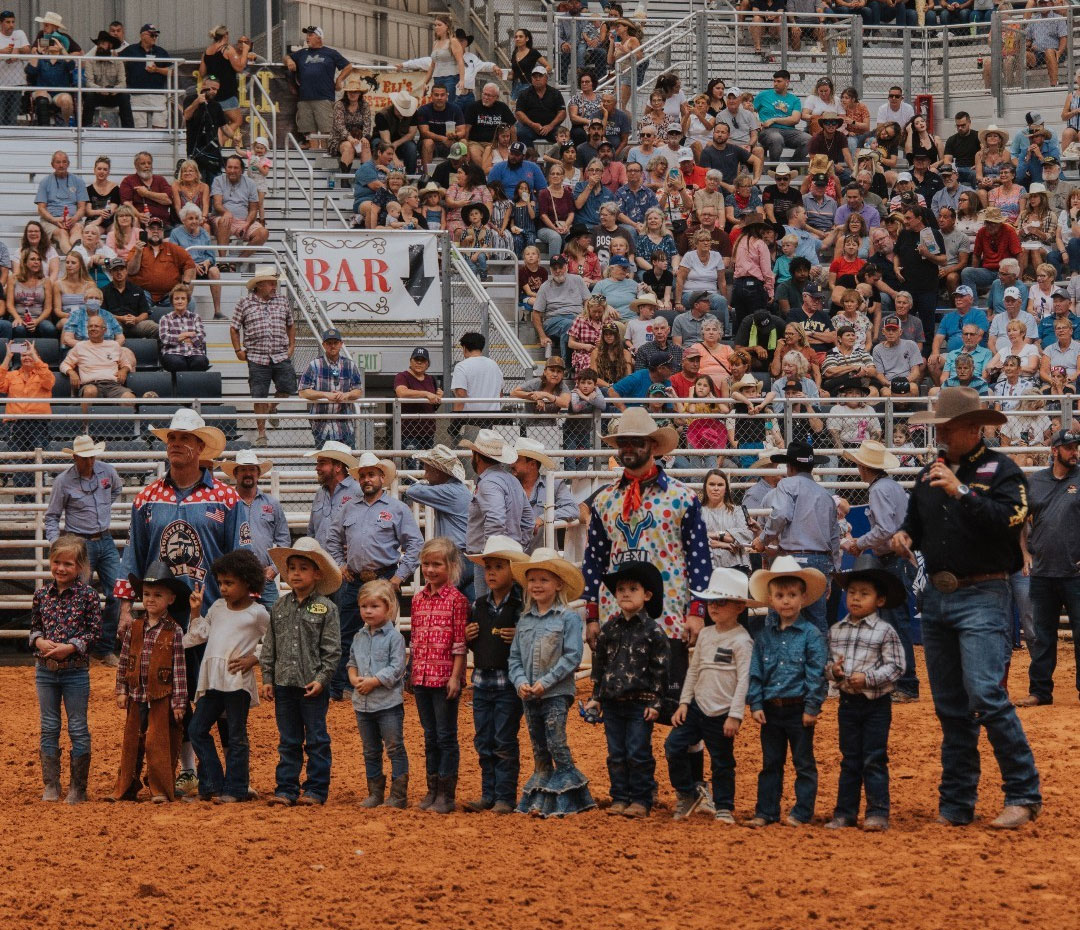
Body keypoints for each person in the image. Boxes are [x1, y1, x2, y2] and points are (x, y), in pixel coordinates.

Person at [892, 386, 1042, 829]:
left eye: (948, 428)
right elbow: (913, 526)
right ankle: (956, 803)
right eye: (938, 428)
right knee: (951, 706)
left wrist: (962, 493)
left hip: (983, 593)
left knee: (985, 695)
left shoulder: (1003, 471)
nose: (940, 435)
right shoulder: (928, 474)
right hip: (940, 596)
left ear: (974, 428)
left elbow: (1011, 520)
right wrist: (904, 539)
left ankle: (1022, 793)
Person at [581, 408, 713, 793]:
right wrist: (592, 613)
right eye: (623, 443)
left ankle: (693, 788)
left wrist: (697, 611)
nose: (628, 449)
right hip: (616, 620)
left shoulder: (683, 498)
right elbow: (593, 561)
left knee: (676, 708)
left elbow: (698, 558)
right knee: (623, 705)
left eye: (636, 442)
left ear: (653, 446)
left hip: (670, 617)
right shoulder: (605, 500)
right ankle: (637, 787)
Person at [114, 408, 243, 797]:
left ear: (200, 447)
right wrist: (124, 606)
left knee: (214, 690)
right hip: (162, 613)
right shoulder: (147, 497)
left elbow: (240, 555)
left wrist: (241, 609)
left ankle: (221, 774)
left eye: (184, 439)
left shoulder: (226, 496)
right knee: (167, 691)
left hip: (214, 612)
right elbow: (133, 553)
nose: (176, 445)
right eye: (171, 438)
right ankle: (184, 771)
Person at [325, 451, 422, 702]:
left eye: (372, 475)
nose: (367, 479)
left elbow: (415, 544)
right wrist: (340, 564)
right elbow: (332, 538)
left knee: (387, 634)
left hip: (384, 577)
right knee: (345, 633)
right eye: (363, 475)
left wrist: (398, 578)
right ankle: (340, 688)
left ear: (382, 478)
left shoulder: (397, 509)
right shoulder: (348, 508)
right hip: (354, 578)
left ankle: (387, 684)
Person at [509, 548, 596, 817]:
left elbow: (572, 656)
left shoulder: (568, 618)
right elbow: (514, 658)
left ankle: (570, 798)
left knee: (556, 741)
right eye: (532, 580)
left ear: (558, 584)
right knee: (539, 746)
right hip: (530, 693)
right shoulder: (524, 620)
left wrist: (545, 683)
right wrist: (521, 682)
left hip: (556, 692)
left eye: (544, 580)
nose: (536, 585)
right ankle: (544, 799)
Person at [666, 567, 756, 823]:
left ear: (740, 606)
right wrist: (684, 702)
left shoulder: (742, 640)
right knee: (673, 745)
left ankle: (724, 805)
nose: (713, 607)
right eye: (711, 602)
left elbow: (743, 681)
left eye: (721, 602)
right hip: (697, 707)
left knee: (722, 761)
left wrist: (736, 715)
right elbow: (693, 671)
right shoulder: (705, 634)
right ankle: (687, 792)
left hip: (722, 711)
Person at [824, 554, 906, 832]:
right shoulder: (836, 631)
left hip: (876, 705)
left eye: (864, 594)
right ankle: (845, 813)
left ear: (880, 601)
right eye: (852, 593)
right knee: (849, 758)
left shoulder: (885, 632)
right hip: (847, 703)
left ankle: (877, 811)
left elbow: (896, 667)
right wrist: (834, 672)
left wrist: (868, 678)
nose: (856, 598)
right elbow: (829, 665)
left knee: (874, 756)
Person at [744, 556, 828, 828]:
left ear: (803, 598)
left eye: (792, 595)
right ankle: (766, 811)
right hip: (771, 709)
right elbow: (755, 671)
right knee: (771, 763)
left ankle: (802, 812)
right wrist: (755, 703)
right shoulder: (764, 637)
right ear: (771, 600)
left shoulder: (811, 634)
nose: (786, 601)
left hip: (799, 708)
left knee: (803, 763)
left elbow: (817, 673)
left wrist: (812, 707)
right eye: (780, 595)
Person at [583, 557, 669, 819]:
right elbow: (600, 665)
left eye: (633, 589)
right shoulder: (610, 629)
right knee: (616, 753)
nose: (625, 594)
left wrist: (656, 703)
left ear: (647, 595)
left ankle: (642, 798)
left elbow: (661, 671)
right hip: (612, 703)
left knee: (638, 751)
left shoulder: (654, 632)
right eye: (621, 589)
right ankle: (620, 797)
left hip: (641, 703)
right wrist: (596, 697)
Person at [183, 549, 268, 803]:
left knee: (236, 735)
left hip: (236, 681)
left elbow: (275, 641)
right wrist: (196, 613)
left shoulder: (258, 613)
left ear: (247, 581)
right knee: (197, 729)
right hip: (212, 680)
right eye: (220, 583)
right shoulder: (217, 606)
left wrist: (254, 658)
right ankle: (213, 784)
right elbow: (199, 635)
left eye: (229, 583)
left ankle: (236, 789)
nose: (223, 588)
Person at [262, 537, 342, 806]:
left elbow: (332, 651)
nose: (295, 573)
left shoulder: (327, 608)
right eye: (292, 567)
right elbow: (270, 646)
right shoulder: (279, 607)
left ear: (317, 573)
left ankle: (316, 789)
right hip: (284, 684)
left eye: (303, 568)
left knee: (317, 738)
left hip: (312, 686)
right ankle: (286, 788)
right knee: (288, 739)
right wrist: (268, 679)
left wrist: (321, 680)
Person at [108, 560, 189, 804]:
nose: (150, 599)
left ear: (171, 599)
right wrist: (121, 689)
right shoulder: (134, 626)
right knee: (132, 740)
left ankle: (159, 788)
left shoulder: (174, 630)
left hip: (162, 695)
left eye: (157, 595)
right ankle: (126, 786)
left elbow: (179, 669)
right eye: (146, 594)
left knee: (158, 742)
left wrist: (179, 702)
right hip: (136, 694)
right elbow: (124, 660)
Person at [30, 535, 101, 804]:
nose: (61, 568)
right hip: (45, 671)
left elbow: (95, 634)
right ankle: (51, 784)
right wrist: (38, 640)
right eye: (57, 562)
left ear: (80, 566)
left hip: (75, 671)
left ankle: (78, 787)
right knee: (48, 726)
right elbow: (34, 627)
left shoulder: (89, 596)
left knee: (78, 727)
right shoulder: (41, 595)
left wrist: (70, 647)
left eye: (68, 564)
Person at [43, 435, 122, 664]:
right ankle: (76, 649)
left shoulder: (107, 471)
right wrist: (58, 546)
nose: (89, 461)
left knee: (117, 592)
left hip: (104, 539)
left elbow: (115, 490)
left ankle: (103, 648)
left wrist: (104, 507)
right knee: (78, 597)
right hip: (78, 543)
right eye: (84, 457)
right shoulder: (63, 481)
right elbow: (52, 516)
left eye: (91, 457)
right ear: (75, 457)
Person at [462, 535, 527, 814]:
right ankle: (490, 794)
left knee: (503, 740)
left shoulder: (522, 607)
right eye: (488, 566)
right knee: (484, 740)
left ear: (513, 570)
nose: (491, 572)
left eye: (499, 567)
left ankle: (504, 796)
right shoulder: (478, 606)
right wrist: (467, 637)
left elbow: (532, 641)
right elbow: (475, 642)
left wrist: (520, 636)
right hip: (483, 681)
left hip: (508, 684)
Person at [408, 537, 470, 814]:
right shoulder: (418, 599)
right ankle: (433, 789)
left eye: (436, 564)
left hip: (444, 678)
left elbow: (459, 643)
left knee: (445, 735)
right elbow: (415, 640)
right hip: (421, 676)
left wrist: (456, 677)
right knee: (430, 735)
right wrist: (411, 670)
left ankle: (446, 793)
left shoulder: (457, 600)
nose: (430, 570)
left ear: (451, 566)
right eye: (426, 564)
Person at [752, 442, 839, 637]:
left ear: (790, 466)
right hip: (820, 561)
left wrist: (763, 539)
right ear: (812, 467)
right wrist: (831, 574)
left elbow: (781, 514)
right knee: (817, 620)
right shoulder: (826, 496)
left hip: (791, 560)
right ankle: (820, 664)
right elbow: (835, 537)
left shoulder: (786, 484)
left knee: (777, 616)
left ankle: (773, 662)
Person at [1020, 429, 1080, 707]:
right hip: (1043, 572)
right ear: (1054, 451)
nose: (1074, 452)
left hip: (1075, 574)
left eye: (1076, 447)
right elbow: (1020, 519)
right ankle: (1040, 692)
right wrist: (1024, 554)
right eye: (1068, 448)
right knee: (1042, 637)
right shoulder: (1036, 481)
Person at [346, 578, 408, 808]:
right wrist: (353, 678)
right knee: (370, 750)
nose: (368, 611)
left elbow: (396, 669)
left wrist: (373, 681)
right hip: (362, 704)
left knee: (394, 747)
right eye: (364, 606)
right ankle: (375, 793)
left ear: (388, 608)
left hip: (387, 704)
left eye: (374, 606)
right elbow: (351, 661)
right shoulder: (358, 636)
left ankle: (399, 795)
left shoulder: (395, 638)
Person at [459, 430, 535, 595]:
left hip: (489, 558)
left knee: (489, 607)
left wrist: (492, 556)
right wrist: (517, 547)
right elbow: (528, 520)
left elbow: (495, 519)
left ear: (476, 455)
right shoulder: (512, 480)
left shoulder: (489, 483)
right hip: (509, 556)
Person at [231, 265, 297, 447]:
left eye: (274, 283)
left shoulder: (282, 301)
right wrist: (238, 350)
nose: (274, 286)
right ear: (259, 285)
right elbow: (234, 328)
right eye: (270, 283)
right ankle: (262, 433)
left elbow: (290, 324)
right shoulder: (244, 303)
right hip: (256, 357)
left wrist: (292, 345)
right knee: (258, 395)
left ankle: (271, 408)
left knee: (287, 388)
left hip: (280, 354)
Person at [221, 449, 290, 608]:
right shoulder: (226, 503)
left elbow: (284, 541)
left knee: (274, 623)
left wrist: (274, 569)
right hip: (234, 578)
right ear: (236, 474)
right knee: (235, 625)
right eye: (243, 469)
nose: (248, 473)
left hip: (264, 579)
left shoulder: (272, 504)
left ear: (258, 474)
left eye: (252, 469)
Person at [403, 446, 473, 590]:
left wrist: (422, 483)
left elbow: (412, 491)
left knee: (446, 603)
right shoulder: (456, 489)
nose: (426, 476)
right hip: (464, 555)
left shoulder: (449, 491)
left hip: (456, 557)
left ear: (438, 471)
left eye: (428, 471)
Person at [284, 25, 353, 149]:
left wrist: (339, 80)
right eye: (307, 35)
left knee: (327, 131)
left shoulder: (331, 53)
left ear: (319, 37)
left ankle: (326, 157)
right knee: (310, 133)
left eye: (310, 35)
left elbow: (348, 66)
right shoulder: (302, 53)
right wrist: (289, 61)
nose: (307, 38)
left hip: (324, 97)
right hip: (304, 98)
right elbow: (286, 56)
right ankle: (313, 160)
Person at [298, 326, 365, 448]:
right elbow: (303, 392)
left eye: (335, 342)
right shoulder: (314, 365)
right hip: (321, 426)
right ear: (323, 345)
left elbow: (358, 391)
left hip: (345, 425)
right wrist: (325, 394)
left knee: (348, 462)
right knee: (325, 462)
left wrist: (346, 395)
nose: (332, 346)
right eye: (329, 343)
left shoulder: (350, 365)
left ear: (341, 344)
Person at [511, 438, 580, 552]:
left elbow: (573, 509)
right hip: (514, 556)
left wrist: (543, 518)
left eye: (517, 460)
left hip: (542, 559)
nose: (511, 463)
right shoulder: (507, 485)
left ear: (532, 464)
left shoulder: (554, 484)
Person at [58, 316, 135, 405]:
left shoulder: (114, 345)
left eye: (96, 326)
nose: (92, 329)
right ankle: (84, 419)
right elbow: (64, 365)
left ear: (104, 330)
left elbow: (127, 364)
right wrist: (72, 372)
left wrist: (124, 370)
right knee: (90, 391)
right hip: (90, 384)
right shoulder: (80, 346)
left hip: (113, 386)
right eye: (90, 326)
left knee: (129, 398)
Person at [128, 216, 196, 309]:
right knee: (135, 298)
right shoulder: (137, 248)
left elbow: (190, 264)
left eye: (159, 229)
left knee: (190, 302)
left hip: (169, 295)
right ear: (146, 231)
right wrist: (138, 254)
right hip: (144, 294)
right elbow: (131, 271)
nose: (155, 231)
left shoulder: (173, 248)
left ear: (163, 232)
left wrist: (186, 285)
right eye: (152, 228)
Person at [305, 440, 360, 549]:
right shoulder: (320, 493)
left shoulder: (358, 491)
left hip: (344, 564)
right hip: (319, 561)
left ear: (338, 466)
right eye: (318, 463)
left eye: (322, 463)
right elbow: (311, 531)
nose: (317, 468)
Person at [212, 154, 268, 257]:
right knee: (225, 220)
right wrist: (226, 212)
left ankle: (238, 261)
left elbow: (253, 210)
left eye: (236, 168)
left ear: (242, 170)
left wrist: (247, 224)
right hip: (222, 219)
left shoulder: (250, 183)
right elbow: (217, 204)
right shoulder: (218, 180)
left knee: (263, 233)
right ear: (225, 168)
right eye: (229, 167)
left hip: (243, 221)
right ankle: (223, 261)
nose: (232, 170)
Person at [119, 23, 170, 128]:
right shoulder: (130, 50)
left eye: (156, 35)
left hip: (157, 94)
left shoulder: (161, 52)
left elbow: (172, 71)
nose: (154, 38)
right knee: (139, 127)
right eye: (152, 35)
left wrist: (157, 69)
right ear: (142, 35)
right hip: (137, 94)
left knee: (159, 126)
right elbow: (117, 62)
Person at [35, 150, 87, 254]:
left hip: (74, 220)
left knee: (76, 231)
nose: (61, 165)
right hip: (51, 221)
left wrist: (74, 219)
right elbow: (41, 208)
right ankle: (75, 258)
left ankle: (75, 258)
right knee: (62, 233)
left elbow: (82, 207)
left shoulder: (78, 181)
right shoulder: (45, 182)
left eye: (64, 162)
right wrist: (54, 220)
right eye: (58, 162)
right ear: (52, 164)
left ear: (68, 164)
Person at [755, 69, 810, 162]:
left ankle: (792, 167)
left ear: (787, 82)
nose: (775, 84)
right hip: (768, 131)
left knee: (809, 140)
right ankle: (774, 168)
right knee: (777, 139)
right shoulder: (763, 95)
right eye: (774, 81)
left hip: (789, 131)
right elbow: (751, 111)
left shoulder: (794, 100)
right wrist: (756, 122)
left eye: (779, 81)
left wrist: (774, 120)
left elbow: (795, 119)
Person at [451, 331, 504, 426]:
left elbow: (461, 395)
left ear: (464, 348)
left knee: (467, 441)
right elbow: (500, 394)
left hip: (471, 420)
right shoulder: (494, 365)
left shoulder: (461, 366)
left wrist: (455, 422)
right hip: (494, 419)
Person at [82, 29, 131, 128]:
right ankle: (85, 128)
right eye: (99, 43)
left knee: (125, 96)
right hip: (97, 95)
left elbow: (123, 83)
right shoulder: (90, 61)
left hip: (113, 95)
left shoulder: (118, 62)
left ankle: (129, 130)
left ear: (110, 46)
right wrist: (100, 89)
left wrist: (114, 90)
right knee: (88, 96)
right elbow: (89, 83)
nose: (100, 46)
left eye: (103, 43)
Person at [157, 284, 209, 372]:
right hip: (173, 353)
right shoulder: (165, 318)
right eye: (176, 299)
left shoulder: (195, 317)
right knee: (177, 363)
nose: (180, 301)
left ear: (187, 301)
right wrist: (187, 335)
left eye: (183, 298)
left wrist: (178, 338)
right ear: (172, 301)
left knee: (200, 362)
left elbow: (200, 337)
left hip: (194, 352)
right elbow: (165, 339)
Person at [119, 152, 173, 227]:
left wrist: (146, 193)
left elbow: (168, 200)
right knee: (135, 221)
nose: (147, 166)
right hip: (140, 223)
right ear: (136, 165)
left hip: (162, 223)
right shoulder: (128, 181)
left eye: (149, 163)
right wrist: (138, 215)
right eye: (143, 163)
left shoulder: (160, 180)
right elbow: (127, 203)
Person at [0, 12, 30, 126]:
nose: (11, 25)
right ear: (1, 23)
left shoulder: (19, 34)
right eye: (8, 22)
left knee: (12, 118)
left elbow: (28, 49)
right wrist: (2, 53)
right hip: (1, 84)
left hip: (17, 82)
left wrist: (16, 50)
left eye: (13, 22)